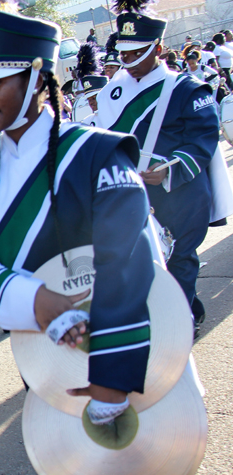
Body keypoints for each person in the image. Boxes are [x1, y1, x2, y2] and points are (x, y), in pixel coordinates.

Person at [0, 8, 167, 475]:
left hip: (111, 350)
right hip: (37, 348)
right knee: (94, 463)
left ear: (38, 77)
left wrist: (114, 380)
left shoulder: (96, 154)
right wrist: (39, 302)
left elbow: (132, 264)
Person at [95, 3, 219, 331]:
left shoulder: (188, 89)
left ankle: (178, 327)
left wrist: (169, 168)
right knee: (149, 262)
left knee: (179, 258)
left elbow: (203, 140)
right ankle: (188, 305)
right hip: (136, 193)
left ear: (159, 48)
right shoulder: (113, 92)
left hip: (181, 192)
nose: (128, 61)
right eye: (124, 54)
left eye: (137, 53)